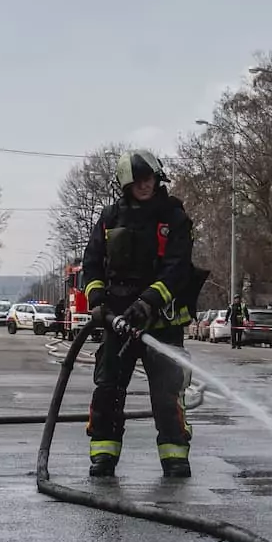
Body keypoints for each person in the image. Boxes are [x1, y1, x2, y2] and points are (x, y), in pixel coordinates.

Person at [82, 148, 201, 479]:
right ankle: (103, 454)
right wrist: (99, 302)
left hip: (161, 322)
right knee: (108, 389)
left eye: (149, 179)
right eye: (139, 181)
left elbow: (177, 269)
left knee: (167, 392)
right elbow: (91, 265)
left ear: (157, 178)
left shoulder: (174, 219)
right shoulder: (109, 219)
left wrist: (148, 301)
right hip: (117, 321)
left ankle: (175, 455)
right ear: (126, 184)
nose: (146, 186)